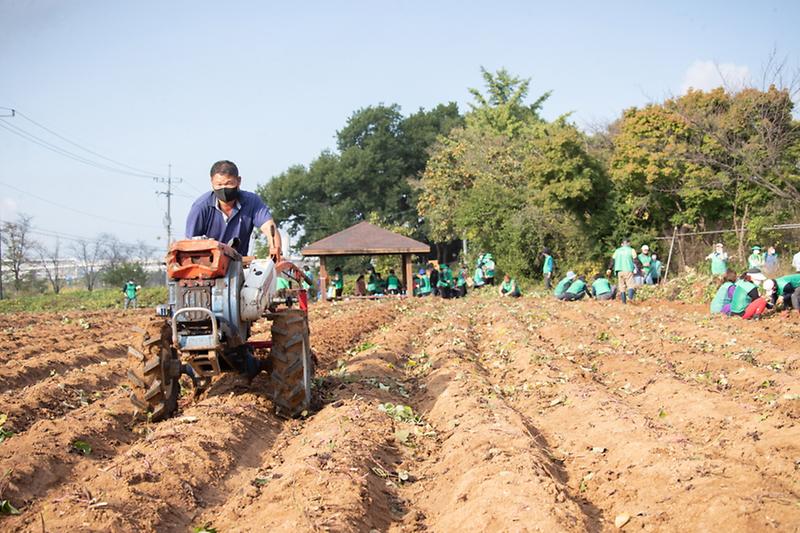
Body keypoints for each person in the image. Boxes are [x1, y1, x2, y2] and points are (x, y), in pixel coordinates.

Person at [186, 160, 282, 257]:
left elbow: (269, 227)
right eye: (219, 184)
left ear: (238, 181)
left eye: (228, 183)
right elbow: (188, 245)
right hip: (207, 266)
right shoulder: (201, 207)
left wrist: (275, 250)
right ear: (212, 182)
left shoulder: (252, 202)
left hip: (239, 266)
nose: (224, 188)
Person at [610, 239, 639, 304]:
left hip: (619, 270)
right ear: (628, 243)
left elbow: (612, 260)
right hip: (628, 269)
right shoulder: (631, 250)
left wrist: (609, 268)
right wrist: (639, 268)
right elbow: (635, 260)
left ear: (622, 244)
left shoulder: (617, 251)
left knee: (621, 286)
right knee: (630, 285)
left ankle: (624, 302)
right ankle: (630, 300)